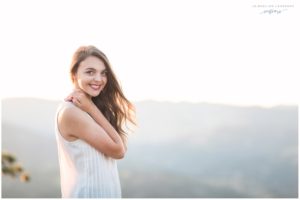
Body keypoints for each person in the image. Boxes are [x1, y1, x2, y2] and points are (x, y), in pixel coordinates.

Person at [55, 45, 136, 198]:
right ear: (74, 74)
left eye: (103, 73)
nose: (99, 79)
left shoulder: (88, 107)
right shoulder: (71, 112)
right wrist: (91, 108)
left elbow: (121, 145)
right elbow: (119, 151)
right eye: (90, 72)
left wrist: (92, 108)